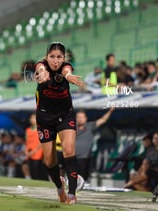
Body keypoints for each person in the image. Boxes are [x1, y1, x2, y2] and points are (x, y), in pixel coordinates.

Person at [34, 41, 84, 204]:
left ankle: (72, 194)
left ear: (64, 58)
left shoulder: (66, 67)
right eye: (52, 57)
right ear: (46, 57)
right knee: (49, 161)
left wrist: (68, 76)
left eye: (59, 57)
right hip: (44, 118)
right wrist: (42, 73)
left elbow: (67, 71)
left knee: (68, 150)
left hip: (65, 116)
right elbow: (40, 69)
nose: (55, 60)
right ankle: (59, 187)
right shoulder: (41, 66)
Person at [75, 108, 115, 183]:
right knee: (73, 179)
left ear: (86, 118)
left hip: (85, 158)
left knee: (84, 180)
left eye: (81, 117)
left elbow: (103, 120)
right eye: (78, 117)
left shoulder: (90, 126)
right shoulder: (72, 128)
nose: (80, 119)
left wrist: (111, 110)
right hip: (72, 157)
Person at [24, 113, 48, 180]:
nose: (32, 120)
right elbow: (26, 141)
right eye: (31, 118)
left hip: (37, 153)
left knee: (36, 170)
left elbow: (41, 142)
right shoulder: (27, 130)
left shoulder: (40, 130)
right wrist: (26, 151)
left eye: (34, 118)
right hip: (29, 153)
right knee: (30, 169)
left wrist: (34, 151)